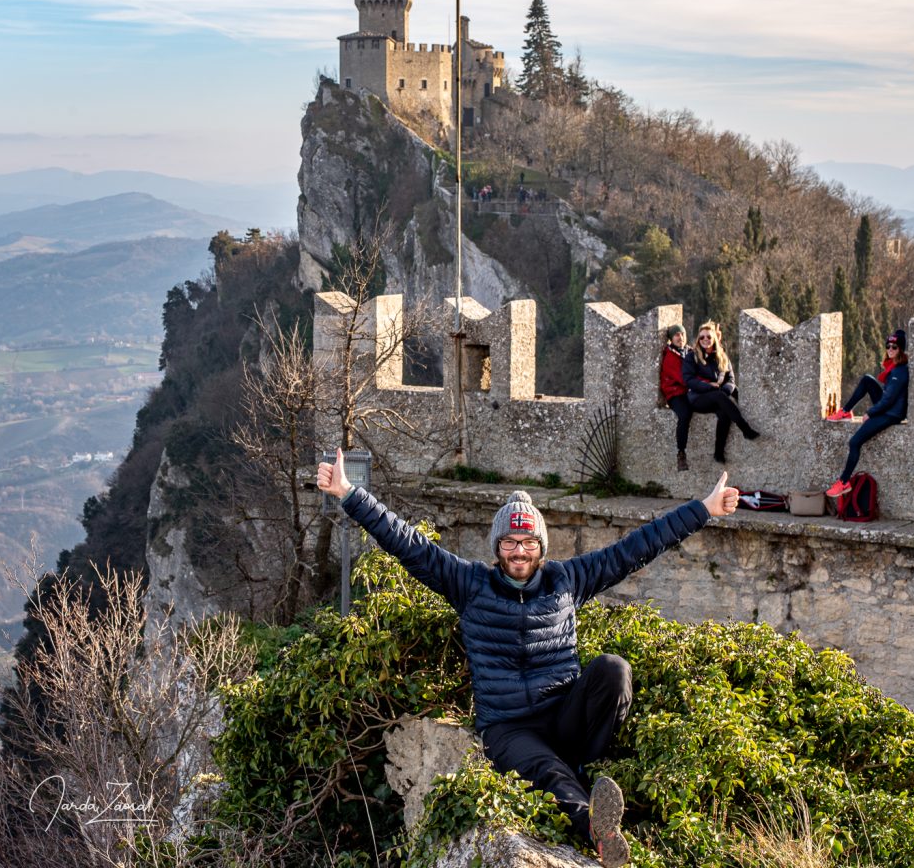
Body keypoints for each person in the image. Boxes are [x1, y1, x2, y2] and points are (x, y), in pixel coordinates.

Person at [316, 449, 740, 867]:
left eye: (528, 542)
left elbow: (635, 549)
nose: (519, 552)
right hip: (509, 727)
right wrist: (350, 492)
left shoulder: (567, 580)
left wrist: (703, 509)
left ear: (541, 546)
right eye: (510, 542)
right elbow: (406, 543)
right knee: (547, 771)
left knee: (613, 670)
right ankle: (597, 829)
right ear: (498, 547)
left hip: (563, 714)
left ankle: (590, 766)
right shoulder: (469, 585)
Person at [825, 329, 909, 498]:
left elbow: (889, 400)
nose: (890, 349)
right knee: (867, 380)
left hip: (891, 414)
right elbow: (886, 397)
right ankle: (846, 411)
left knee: (855, 442)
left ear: (901, 349)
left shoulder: (900, 372)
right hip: (887, 408)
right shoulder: (894, 367)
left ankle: (844, 482)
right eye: (888, 346)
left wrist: (870, 413)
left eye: (894, 347)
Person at [681, 321, 760, 463]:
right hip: (697, 398)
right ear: (698, 340)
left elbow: (731, 380)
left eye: (709, 337)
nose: (705, 340)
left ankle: (718, 453)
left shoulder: (722, 356)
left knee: (724, 414)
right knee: (719, 396)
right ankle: (745, 428)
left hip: (718, 397)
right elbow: (689, 380)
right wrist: (710, 387)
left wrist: (725, 389)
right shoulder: (692, 357)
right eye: (702, 337)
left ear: (714, 339)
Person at [659, 323, 692, 471]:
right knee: (684, 415)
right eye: (677, 335)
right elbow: (684, 379)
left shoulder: (688, 351)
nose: (681, 337)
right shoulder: (670, 357)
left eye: (682, 334)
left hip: (688, 391)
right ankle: (681, 453)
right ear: (671, 339)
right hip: (674, 394)